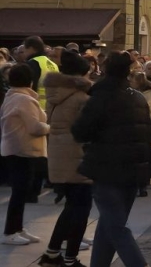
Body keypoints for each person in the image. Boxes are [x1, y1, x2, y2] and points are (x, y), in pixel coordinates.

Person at [71, 51, 151, 267]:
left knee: (115, 226)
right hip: (133, 170)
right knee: (108, 224)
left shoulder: (102, 96)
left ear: (105, 70)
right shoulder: (137, 96)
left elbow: (80, 131)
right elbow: (146, 133)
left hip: (107, 169)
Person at [40, 50, 93, 266]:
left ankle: (52, 253)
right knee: (81, 209)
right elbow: (87, 129)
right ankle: (70, 258)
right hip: (78, 156)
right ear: (81, 76)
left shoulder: (54, 94)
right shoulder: (82, 97)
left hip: (59, 154)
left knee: (72, 206)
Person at [1, 63, 50, 246]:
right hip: (22, 149)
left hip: (16, 148)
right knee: (20, 193)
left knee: (21, 192)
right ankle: (10, 231)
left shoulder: (13, 96)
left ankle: (17, 228)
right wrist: (50, 127)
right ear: (30, 80)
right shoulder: (24, 99)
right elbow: (35, 127)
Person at [130, 72, 151, 197]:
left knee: (145, 158)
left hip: (147, 128)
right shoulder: (128, 93)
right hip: (131, 128)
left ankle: (143, 184)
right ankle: (134, 183)